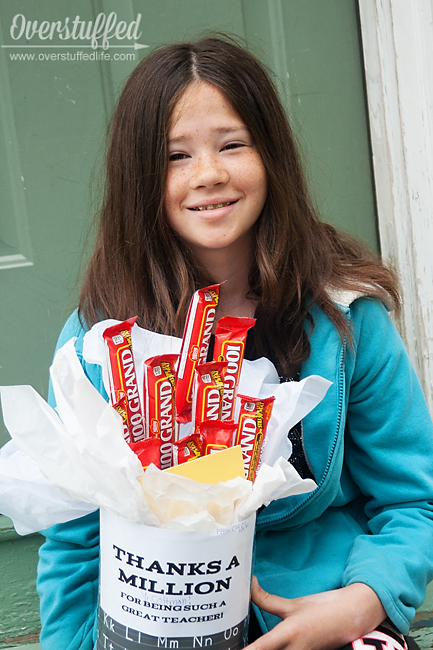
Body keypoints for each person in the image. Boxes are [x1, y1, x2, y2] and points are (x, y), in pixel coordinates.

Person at [37, 37, 433, 650]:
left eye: (232, 145)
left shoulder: (347, 315)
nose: (209, 174)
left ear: (271, 154)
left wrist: (362, 604)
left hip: (322, 604)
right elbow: (74, 535)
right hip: (154, 619)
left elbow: (414, 500)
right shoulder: (97, 340)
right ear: (138, 176)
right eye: (174, 155)